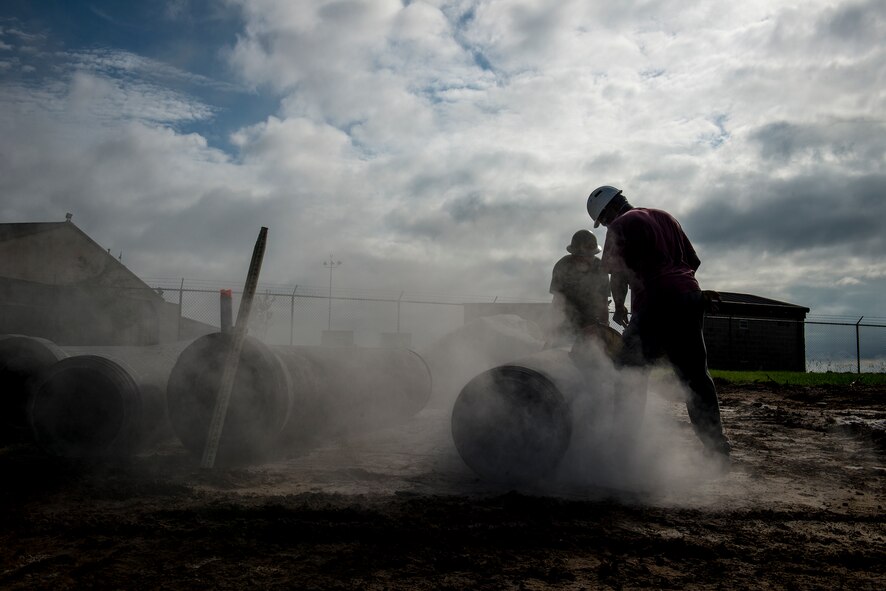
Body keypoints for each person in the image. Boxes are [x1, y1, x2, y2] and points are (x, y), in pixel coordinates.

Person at [586, 185, 732, 458]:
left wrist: (619, 305)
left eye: (603, 220)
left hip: (656, 300)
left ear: (608, 212)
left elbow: (617, 276)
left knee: (628, 372)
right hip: (690, 296)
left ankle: (623, 450)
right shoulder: (665, 217)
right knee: (695, 376)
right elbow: (693, 262)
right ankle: (716, 450)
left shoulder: (619, 226)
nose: (605, 224)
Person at [548, 230, 610, 349]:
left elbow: (603, 302)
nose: (584, 259)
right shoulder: (563, 266)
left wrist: (604, 328)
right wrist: (553, 328)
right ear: (573, 253)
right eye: (579, 256)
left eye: (588, 256)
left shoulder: (600, 268)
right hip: (566, 320)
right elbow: (557, 301)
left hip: (591, 323)